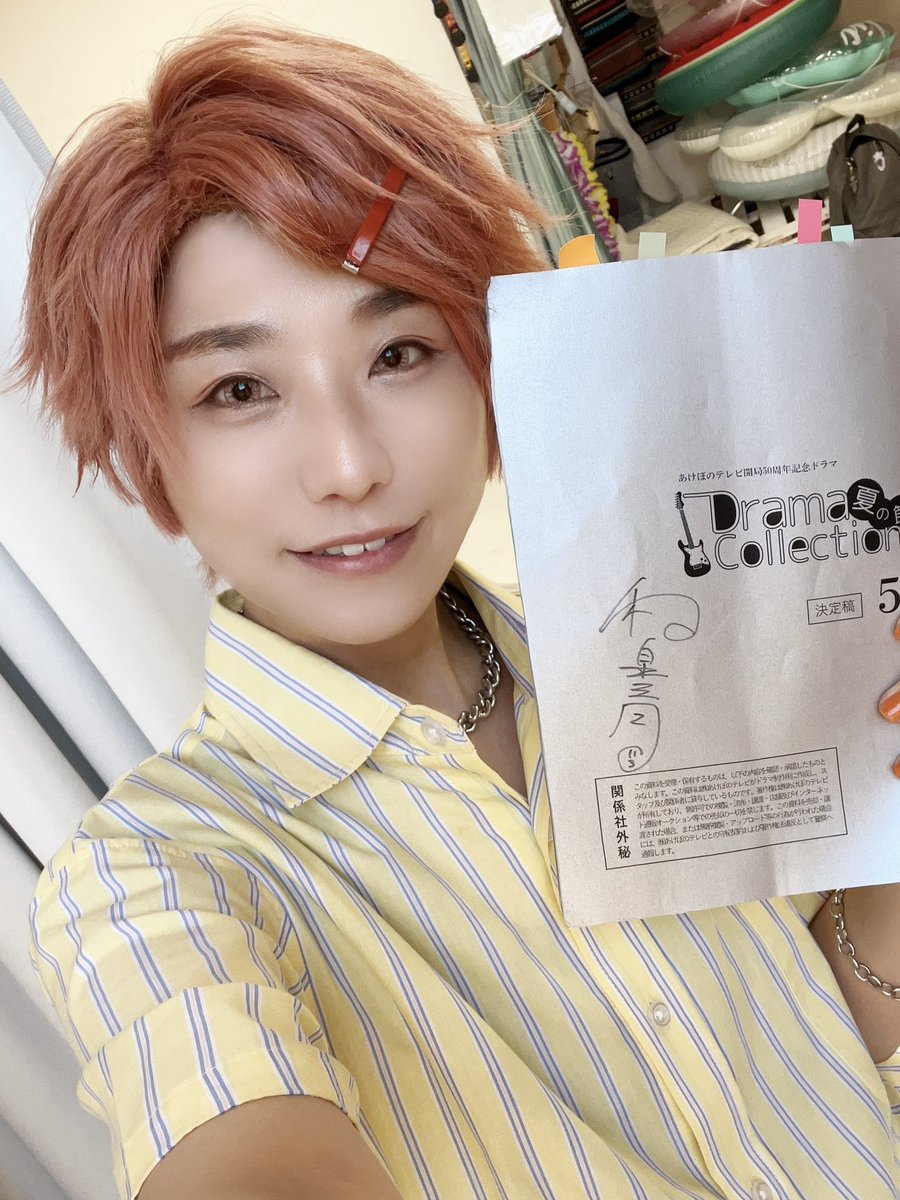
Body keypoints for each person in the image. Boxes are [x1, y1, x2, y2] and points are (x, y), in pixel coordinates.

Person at [16, 21, 900, 1200]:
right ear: (147, 457)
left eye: (399, 353)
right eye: (240, 388)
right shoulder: (154, 876)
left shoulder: (671, 629)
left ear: (488, 367)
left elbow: (811, 1041)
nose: (349, 466)